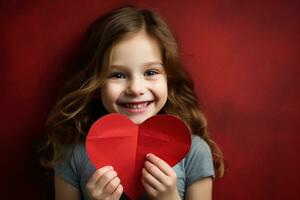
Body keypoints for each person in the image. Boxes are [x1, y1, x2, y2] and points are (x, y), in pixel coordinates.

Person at [39, 5, 224, 200]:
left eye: (151, 72)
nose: (136, 88)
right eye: (117, 74)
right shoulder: (72, 153)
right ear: (95, 85)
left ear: (168, 80)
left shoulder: (194, 152)